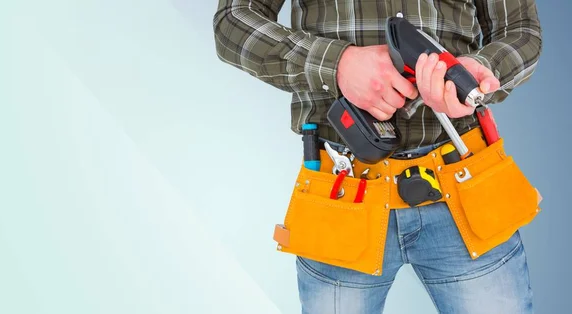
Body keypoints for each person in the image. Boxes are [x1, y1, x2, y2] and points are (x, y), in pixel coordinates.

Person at [213, 1, 542, 313]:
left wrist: (477, 72)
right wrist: (336, 64)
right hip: (342, 190)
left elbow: (521, 31)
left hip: (463, 181)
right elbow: (233, 21)